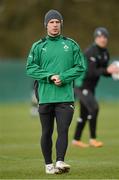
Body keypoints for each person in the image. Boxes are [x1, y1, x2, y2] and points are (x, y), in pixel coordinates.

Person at [26, 9, 86, 174]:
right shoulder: (38, 46)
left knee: (63, 129)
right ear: (46, 25)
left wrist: (64, 77)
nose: (54, 25)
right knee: (47, 131)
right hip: (45, 96)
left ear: (61, 24)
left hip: (65, 96)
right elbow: (30, 69)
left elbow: (80, 67)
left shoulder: (71, 44)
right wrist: (50, 76)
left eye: (57, 22)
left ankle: (60, 161)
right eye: (51, 22)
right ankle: (48, 166)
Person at [73, 27, 119, 148]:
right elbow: (91, 72)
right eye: (100, 37)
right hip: (81, 85)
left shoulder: (105, 53)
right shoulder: (90, 52)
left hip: (90, 87)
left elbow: (102, 72)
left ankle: (76, 140)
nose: (102, 39)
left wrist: (112, 72)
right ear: (95, 38)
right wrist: (107, 69)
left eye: (105, 37)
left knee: (84, 114)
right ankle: (93, 139)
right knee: (94, 108)